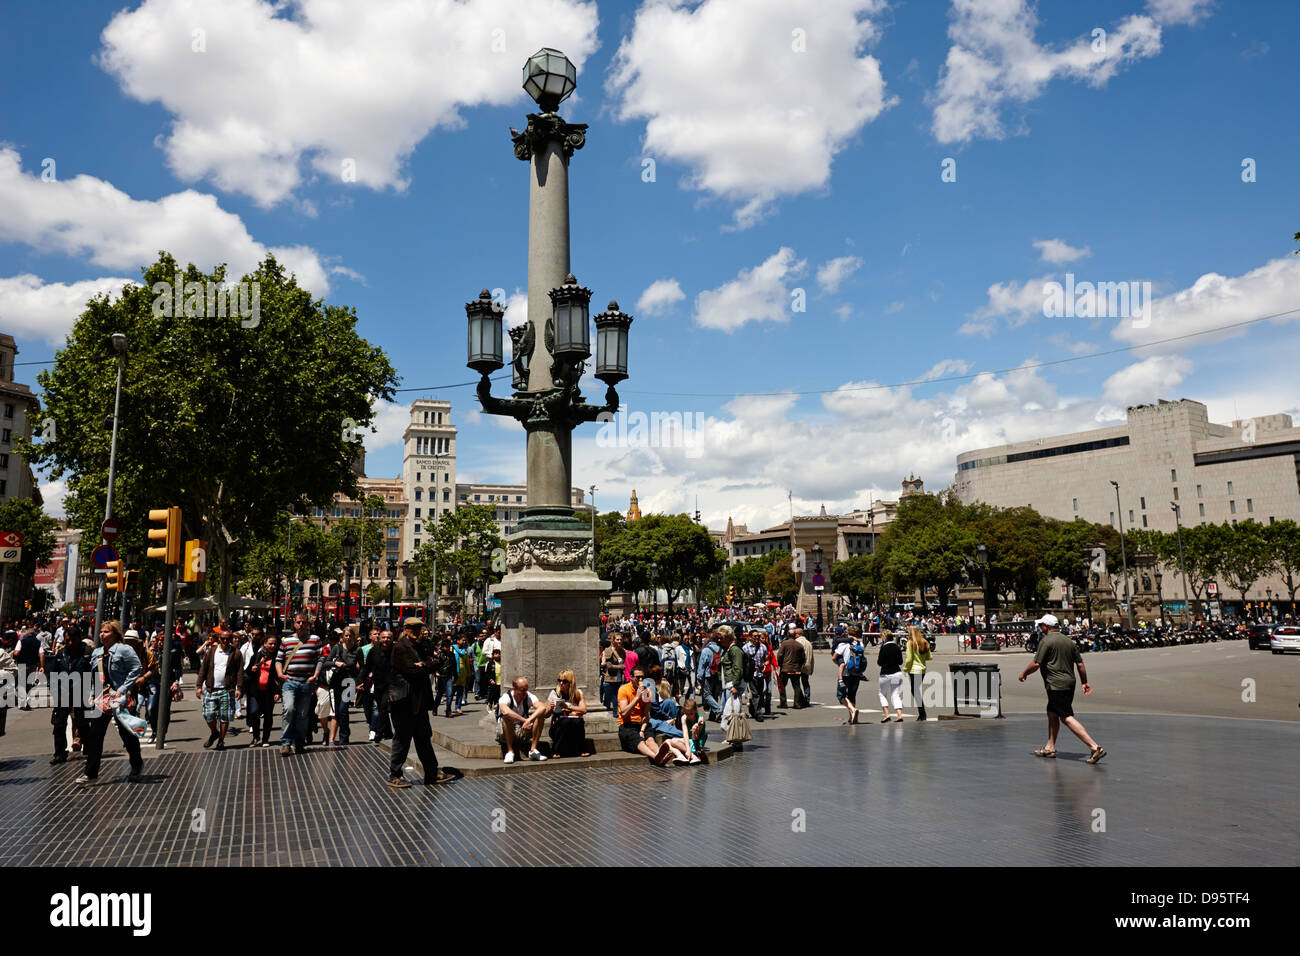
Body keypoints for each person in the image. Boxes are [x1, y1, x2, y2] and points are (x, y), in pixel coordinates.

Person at [1018, 614, 1106, 763]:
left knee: (1065, 717)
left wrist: (1023, 673)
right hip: (1069, 683)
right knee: (1052, 713)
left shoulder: (1046, 641)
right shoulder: (1068, 641)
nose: (1040, 628)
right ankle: (1050, 747)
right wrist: (1084, 682)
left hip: (1055, 685)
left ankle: (1094, 747)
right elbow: (1080, 664)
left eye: (1041, 626)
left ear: (1046, 626)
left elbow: (1036, 663)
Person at [78, 621, 144, 785]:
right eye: (101, 632)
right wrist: (92, 694)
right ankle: (91, 773)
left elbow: (136, 668)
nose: (102, 635)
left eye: (106, 632)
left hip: (119, 697)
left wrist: (123, 689)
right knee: (95, 735)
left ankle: (136, 765)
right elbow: (95, 675)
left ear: (115, 634)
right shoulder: (97, 652)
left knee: (126, 733)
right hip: (103, 698)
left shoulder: (124, 650)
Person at [386, 617, 449, 788]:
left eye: (418, 628)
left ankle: (432, 772)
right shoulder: (400, 647)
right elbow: (411, 670)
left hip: (419, 701)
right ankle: (395, 775)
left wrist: (423, 664)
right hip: (404, 702)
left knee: (423, 738)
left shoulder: (421, 645)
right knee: (402, 740)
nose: (416, 631)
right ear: (405, 629)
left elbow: (434, 663)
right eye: (413, 628)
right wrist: (423, 665)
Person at [276, 613, 324, 756]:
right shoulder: (286, 641)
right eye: (298, 622)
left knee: (303, 715)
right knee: (289, 710)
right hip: (290, 681)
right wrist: (280, 674)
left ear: (308, 624)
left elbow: (320, 659)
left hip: (306, 682)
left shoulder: (315, 639)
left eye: (303, 622)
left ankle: (300, 742)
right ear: (294, 624)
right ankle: (285, 743)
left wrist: (315, 675)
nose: (301, 625)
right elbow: (279, 659)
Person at [46, 623, 91, 763]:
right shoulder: (61, 654)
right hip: (63, 693)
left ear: (79, 639)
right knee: (59, 724)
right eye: (67, 640)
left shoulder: (87, 653)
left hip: (80, 692)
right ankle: (59, 753)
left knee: (82, 723)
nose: (70, 643)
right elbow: (53, 673)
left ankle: (89, 749)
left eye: (73, 640)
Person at [196, 628, 244, 750]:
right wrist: (198, 686)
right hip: (211, 688)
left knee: (225, 716)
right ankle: (214, 732)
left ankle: (221, 740)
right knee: (208, 714)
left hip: (227, 690)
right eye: (223, 638)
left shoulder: (236, 653)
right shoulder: (211, 651)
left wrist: (239, 688)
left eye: (228, 638)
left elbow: (239, 672)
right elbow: (203, 669)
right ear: (219, 639)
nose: (225, 641)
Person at [617, 666, 672, 764]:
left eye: (642, 677)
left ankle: (660, 754)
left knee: (650, 739)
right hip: (627, 724)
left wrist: (642, 729)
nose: (641, 680)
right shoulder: (624, 690)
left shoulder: (647, 692)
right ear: (631, 678)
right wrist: (637, 697)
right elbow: (624, 713)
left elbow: (646, 715)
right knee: (640, 741)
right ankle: (656, 757)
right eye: (638, 677)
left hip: (642, 724)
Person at [498, 676, 547, 762]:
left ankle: (533, 750)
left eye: (526, 689)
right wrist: (525, 720)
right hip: (507, 731)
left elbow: (542, 708)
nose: (525, 692)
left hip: (524, 730)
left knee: (540, 715)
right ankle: (510, 751)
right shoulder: (506, 697)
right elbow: (505, 711)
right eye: (522, 690)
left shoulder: (528, 696)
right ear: (514, 689)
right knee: (506, 717)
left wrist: (530, 720)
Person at [246, 634, 281, 746]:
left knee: (268, 715)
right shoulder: (257, 656)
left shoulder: (277, 658)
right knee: (254, 712)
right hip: (255, 691)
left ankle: (265, 739)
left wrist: (278, 692)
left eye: (274, 644)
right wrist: (252, 669)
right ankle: (256, 737)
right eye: (270, 643)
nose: (272, 646)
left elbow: (278, 677)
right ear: (265, 644)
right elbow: (247, 672)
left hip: (269, 691)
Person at [546, 669, 589, 758]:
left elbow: (584, 709)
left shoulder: (578, 693)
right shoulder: (554, 693)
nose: (561, 683)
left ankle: (582, 749)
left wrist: (568, 706)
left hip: (573, 726)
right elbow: (546, 715)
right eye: (559, 680)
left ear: (570, 682)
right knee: (565, 721)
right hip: (558, 727)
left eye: (564, 681)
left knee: (578, 721)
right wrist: (550, 708)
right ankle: (555, 750)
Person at [837, 625, 868, 724]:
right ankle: (852, 718)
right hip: (857, 672)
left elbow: (835, 656)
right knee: (852, 695)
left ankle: (852, 710)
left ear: (848, 633)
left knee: (841, 695)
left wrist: (839, 663)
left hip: (846, 672)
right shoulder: (860, 644)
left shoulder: (844, 644)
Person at [903, 625, 932, 721]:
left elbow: (909, 658)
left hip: (914, 670)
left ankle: (922, 714)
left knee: (915, 691)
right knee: (916, 691)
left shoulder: (910, 643)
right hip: (922, 669)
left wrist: (905, 669)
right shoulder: (924, 642)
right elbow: (929, 657)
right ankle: (922, 714)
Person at [877, 631, 905, 722]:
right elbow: (900, 662)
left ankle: (886, 714)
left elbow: (879, 662)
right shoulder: (897, 647)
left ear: (884, 638)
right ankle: (899, 715)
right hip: (897, 672)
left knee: (882, 694)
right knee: (895, 694)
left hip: (885, 673)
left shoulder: (884, 648)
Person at [776, 627, 806, 709]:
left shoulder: (784, 643)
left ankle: (783, 702)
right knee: (796, 686)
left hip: (785, 668)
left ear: (788, 635)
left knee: (781, 685)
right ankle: (797, 703)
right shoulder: (799, 645)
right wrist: (800, 666)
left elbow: (779, 655)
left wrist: (780, 664)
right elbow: (803, 658)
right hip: (796, 668)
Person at [600, 632, 626, 712]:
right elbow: (609, 666)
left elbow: (622, 662)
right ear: (613, 640)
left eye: (621, 639)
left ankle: (616, 714)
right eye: (617, 639)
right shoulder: (607, 650)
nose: (619, 641)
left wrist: (616, 653)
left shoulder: (622, 651)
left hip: (620, 679)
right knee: (609, 701)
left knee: (618, 698)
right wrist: (620, 667)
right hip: (610, 679)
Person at [795, 626, 815, 706]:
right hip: (807, 665)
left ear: (798, 634)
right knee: (805, 683)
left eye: (795, 634)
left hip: (799, 665)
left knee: (796, 683)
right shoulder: (808, 642)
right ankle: (807, 698)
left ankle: (801, 699)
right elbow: (812, 656)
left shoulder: (797, 642)